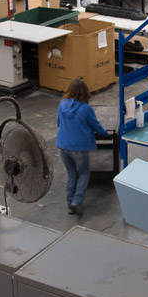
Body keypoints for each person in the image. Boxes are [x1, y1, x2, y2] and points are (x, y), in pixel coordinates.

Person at [55, 78, 109, 216]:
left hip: (62, 146)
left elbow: (58, 123)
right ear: (85, 92)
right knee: (84, 174)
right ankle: (77, 201)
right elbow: (96, 126)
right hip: (79, 148)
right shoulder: (86, 109)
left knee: (71, 174)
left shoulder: (62, 104)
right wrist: (107, 133)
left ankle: (69, 206)